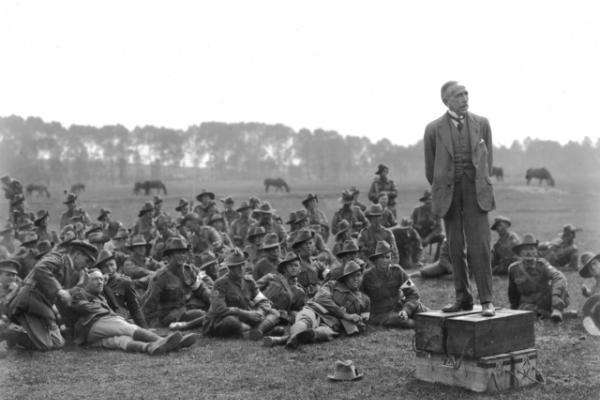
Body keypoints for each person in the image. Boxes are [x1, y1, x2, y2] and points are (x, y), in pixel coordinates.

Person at [424, 81, 496, 316]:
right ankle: (462, 298)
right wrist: (445, 187)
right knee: (455, 247)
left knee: (481, 246)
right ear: (446, 101)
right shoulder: (433, 129)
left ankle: (486, 300)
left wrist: (478, 184)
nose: (465, 98)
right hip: (450, 195)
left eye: (466, 94)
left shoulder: (482, 124)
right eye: (458, 95)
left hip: (476, 193)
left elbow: (488, 163)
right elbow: (430, 170)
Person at [69, 269, 192, 354]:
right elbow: (81, 306)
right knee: (125, 327)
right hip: (92, 324)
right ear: (86, 282)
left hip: (88, 337)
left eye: (101, 279)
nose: (100, 282)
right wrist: (100, 310)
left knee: (119, 340)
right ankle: (162, 341)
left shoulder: (100, 296)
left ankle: (149, 347)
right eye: (95, 279)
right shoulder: (81, 293)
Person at [6, 240, 98, 350]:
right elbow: (41, 268)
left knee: (58, 343)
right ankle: (10, 333)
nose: (87, 265)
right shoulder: (58, 258)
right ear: (77, 255)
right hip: (29, 300)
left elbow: (67, 296)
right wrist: (59, 290)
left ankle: (22, 329)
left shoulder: (73, 270)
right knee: (45, 345)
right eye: (87, 260)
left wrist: (81, 284)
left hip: (43, 305)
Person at [282, 260, 370, 349]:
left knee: (326, 333)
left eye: (358, 275)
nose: (356, 279)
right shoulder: (332, 284)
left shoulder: (365, 300)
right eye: (352, 276)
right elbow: (322, 298)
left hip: (332, 323)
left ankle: (306, 335)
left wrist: (358, 322)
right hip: (315, 309)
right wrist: (345, 315)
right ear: (346, 278)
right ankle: (292, 339)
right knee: (305, 320)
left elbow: (364, 320)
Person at [203, 248, 279, 340]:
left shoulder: (249, 281)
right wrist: (246, 314)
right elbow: (220, 310)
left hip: (243, 317)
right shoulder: (220, 284)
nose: (241, 268)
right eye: (237, 266)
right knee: (231, 321)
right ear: (230, 268)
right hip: (220, 320)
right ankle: (258, 331)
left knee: (274, 312)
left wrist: (260, 312)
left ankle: (257, 331)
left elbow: (262, 300)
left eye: (243, 265)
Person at [142, 237, 212, 328]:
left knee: (210, 308)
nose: (182, 256)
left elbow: (200, 288)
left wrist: (211, 299)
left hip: (185, 308)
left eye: (184, 253)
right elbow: (149, 303)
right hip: (168, 314)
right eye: (178, 253)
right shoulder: (160, 277)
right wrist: (146, 323)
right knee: (201, 314)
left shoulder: (188, 270)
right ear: (169, 256)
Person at [362, 241, 427, 329]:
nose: (385, 260)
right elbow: (360, 296)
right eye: (381, 257)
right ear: (376, 260)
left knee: (425, 312)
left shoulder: (398, 271)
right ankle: (425, 327)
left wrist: (406, 310)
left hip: (400, 306)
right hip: (381, 314)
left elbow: (413, 292)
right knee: (406, 322)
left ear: (391, 258)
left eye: (387, 257)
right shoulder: (367, 276)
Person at [508, 234, 569, 322]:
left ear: (536, 252)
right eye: (525, 249)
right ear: (520, 252)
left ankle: (556, 310)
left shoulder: (542, 264)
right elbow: (512, 294)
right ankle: (548, 314)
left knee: (560, 281)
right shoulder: (513, 269)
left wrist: (555, 296)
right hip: (528, 304)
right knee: (528, 312)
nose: (528, 252)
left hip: (546, 300)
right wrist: (513, 311)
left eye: (532, 249)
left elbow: (558, 276)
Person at [257, 252, 306, 340]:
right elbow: (254, 289)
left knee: (275, 318)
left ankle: (259, 332)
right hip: (260, 308)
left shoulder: (299, 291)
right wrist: (264, 279)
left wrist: (286, 316)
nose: (293, 268)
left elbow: (297, 312)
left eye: (296, 265)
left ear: (300, 269)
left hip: (275, 316)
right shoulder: (272, 278)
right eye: (290, 265)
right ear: (284, 268)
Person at [94, 249, 147, 327]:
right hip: (104, 320)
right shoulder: (97, 283)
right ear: (100, 269)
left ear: (116, 265)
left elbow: (134, 308)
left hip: (121, 319)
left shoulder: (124, 281)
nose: (110, 269)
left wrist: (144, 327)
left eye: (112, 265)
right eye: (105, 266)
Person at [291, 229, 327, 298]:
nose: (308, 246)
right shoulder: (295, 264)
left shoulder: (315, 262)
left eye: (310, 243)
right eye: (305, 244)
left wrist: (323, 272)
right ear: (299, 247)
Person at [411, 190, 444, 259]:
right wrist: (418, 237)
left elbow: (439, 228)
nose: (428, 202)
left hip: (430, 236)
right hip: (418, 235)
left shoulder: (436, 212)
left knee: (442, 237)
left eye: (430, 199)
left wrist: (428, 238)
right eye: (426, 200)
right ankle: (414, 258)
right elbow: (411, 225)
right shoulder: (417, 210)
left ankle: (437, 259)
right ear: (423, 201)